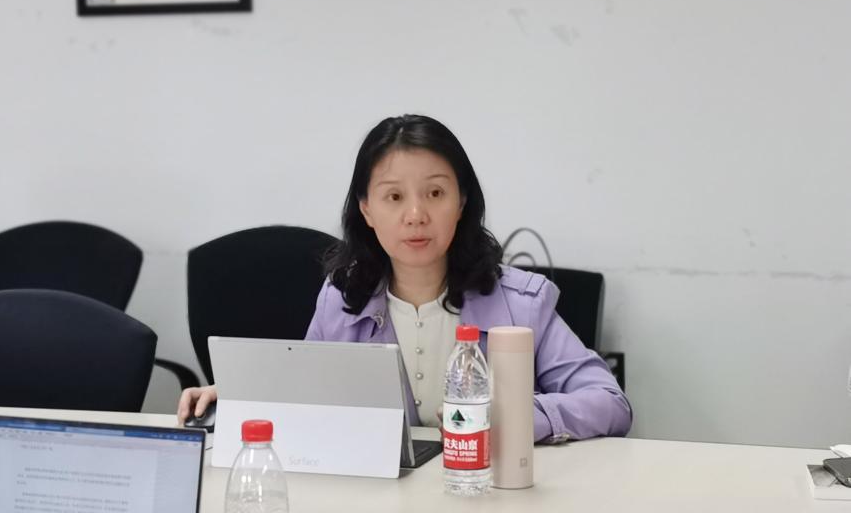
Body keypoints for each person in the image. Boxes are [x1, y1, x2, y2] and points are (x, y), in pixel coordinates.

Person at [178, 114, 632, 442]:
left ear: (461, 202)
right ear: (366, 209)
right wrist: (236, 397)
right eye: (394, 197)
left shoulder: (521, 302)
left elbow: (609, 402)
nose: (416, 215)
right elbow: (309, 393)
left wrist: (517, 417)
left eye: (435, 192)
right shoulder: (343, 299)